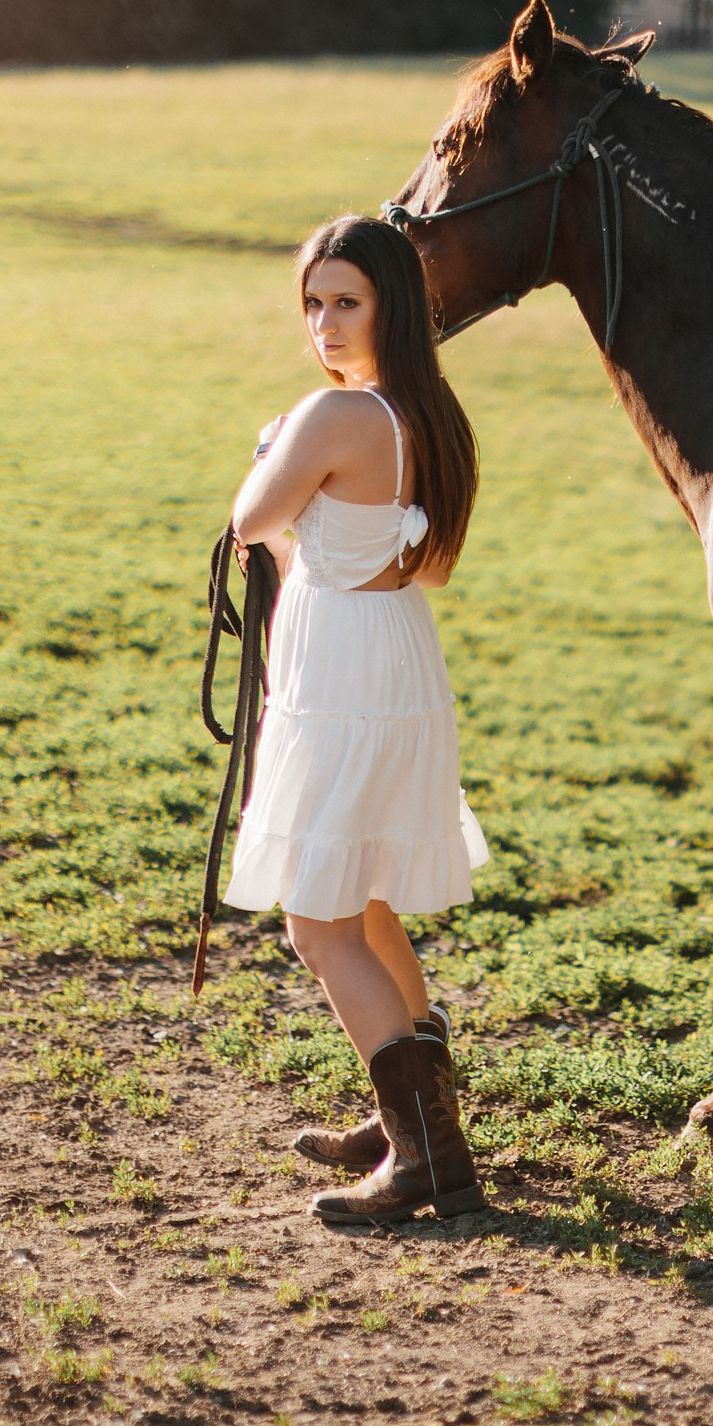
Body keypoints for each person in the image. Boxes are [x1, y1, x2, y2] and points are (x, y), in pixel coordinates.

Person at [227, 214, 488, 1222]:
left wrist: (268, 451)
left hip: (344, 672)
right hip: (387, 652)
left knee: (317, 920)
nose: (324, 324)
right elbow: (340, 551)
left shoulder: (335, 419)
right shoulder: (424, 413)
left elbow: (250, 519)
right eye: (313, 304)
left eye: (347, 303)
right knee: (366, 897)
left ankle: (427, 1155)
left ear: (390, 311)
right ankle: (412, 1123)